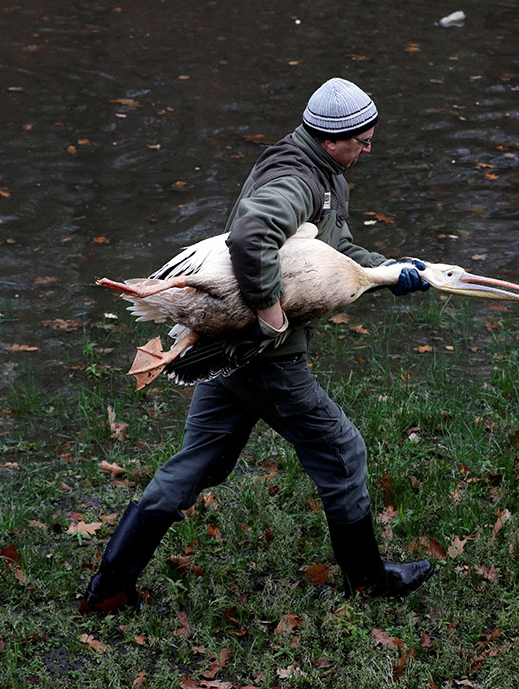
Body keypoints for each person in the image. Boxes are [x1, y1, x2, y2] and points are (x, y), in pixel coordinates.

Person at [81, 77, 434, 613]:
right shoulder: (295, 178)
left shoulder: (325, 172)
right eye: (362, 139)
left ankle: (108, 588)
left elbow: (332, 252)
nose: (368, 147)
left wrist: (391, 271)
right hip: (268, 357)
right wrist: (271, 318)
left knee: (200, 461)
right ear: (331, 137)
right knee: (342, 453)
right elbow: (251, 239)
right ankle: (367, 578)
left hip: (236, 353)